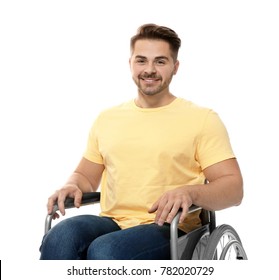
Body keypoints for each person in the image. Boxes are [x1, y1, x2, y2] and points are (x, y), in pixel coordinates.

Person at [40, 23, 243, 260]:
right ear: (130, 64)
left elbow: (233, 188)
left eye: (160, 61)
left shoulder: (202, 119)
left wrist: (191, 193)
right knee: (60, 237)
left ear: (175, 67)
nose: (149, 69)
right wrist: (72, 185)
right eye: (141, 60)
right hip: (113, 222)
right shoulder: (107, 119)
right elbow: (86, 176)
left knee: (106, 251)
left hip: (169, 226)